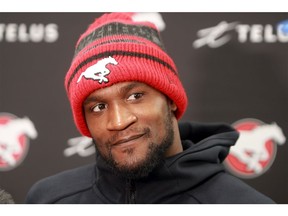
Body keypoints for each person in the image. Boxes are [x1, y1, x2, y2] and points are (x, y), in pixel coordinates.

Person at [25, 12, 275, 204]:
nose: (119, 121)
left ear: (171, 98)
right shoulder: (48, 200)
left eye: (135, 96)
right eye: (99, 106)